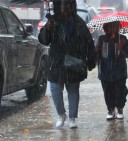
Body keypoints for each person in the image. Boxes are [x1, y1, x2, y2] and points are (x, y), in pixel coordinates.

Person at [38, 0, 96, 128]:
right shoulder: (52, 21)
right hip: (56, 63)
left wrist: (91, 60)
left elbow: (88, 42)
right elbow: (44, 40)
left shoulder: (79, 22)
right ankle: (61, 115)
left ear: (72, 6)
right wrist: (48, 28)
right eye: (63, 5)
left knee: (73, 90)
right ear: (58, 6)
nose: (65, 8)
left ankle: (72, 118)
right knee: (55, 89)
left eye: (68, 5)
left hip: (74, 63)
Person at [96, 21, 128, 120]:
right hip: (105, 71)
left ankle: (120, 108)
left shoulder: (122, 39)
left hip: (119, 71)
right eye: (112, 26)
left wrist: (121, 48)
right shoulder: (101, 39)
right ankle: (110, 109)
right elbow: (96, 54)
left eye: (116, 26)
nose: (115, 28)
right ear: (106, 28)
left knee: (120, 90)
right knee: (107, 91)